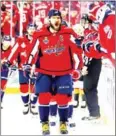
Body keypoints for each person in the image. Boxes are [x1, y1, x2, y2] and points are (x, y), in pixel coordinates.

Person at [27, 9, 82, 135]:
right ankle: (44, 123)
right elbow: (32, 51)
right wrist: (27, 64)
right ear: (49, 19)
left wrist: (78, 68)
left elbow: (78, 51)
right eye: (54, 18)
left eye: (58, 18)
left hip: (64, 72)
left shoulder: (69, 33)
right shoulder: (39, 34)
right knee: (44, 98)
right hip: (44, 71)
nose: (57, 20)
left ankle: (63, 122)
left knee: (63, 99)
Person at [80, 14, 107, 121]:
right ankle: (93, 112)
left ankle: (94, 113)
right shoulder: (87, 32)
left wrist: (86, 65)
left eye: (85, 21)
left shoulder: (94, 33)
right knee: (88, 88)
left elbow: (91, 51)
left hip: (93, 62)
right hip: (91, 62)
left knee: (89, 88)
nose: (83, 23)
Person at [7, 23, 38, 115]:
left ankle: (33, 105)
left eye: (34, 28)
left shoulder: (39, 40)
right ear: (27, 29)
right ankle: (25, 104)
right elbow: (14, 51)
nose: (32, 30)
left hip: (35, 69)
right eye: (30, 28)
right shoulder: (20, 40)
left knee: (35, 88)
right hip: (22, 68)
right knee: (23, 88)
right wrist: (9, 61)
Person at [1, 35, 12, 109]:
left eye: (9, 41)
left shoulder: (11, 49)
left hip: (5, 71)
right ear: (2, 41)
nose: (7, 43)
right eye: (5, 41)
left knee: (2, 87)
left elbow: (13, 59)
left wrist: (11, 64)